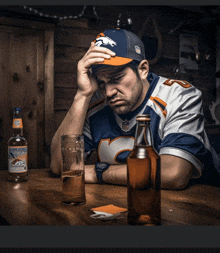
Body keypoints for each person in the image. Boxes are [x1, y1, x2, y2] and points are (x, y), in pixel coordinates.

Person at [50, 28, 220, 189]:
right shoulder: (95, 103)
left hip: (199, 206)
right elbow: (59, 166)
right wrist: (82, 94)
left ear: (143, 70)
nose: (108, 92)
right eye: (102, 82)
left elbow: (173, 174)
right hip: (131, 200)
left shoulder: (178, 95)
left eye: (116, 78)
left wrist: (99, 172)